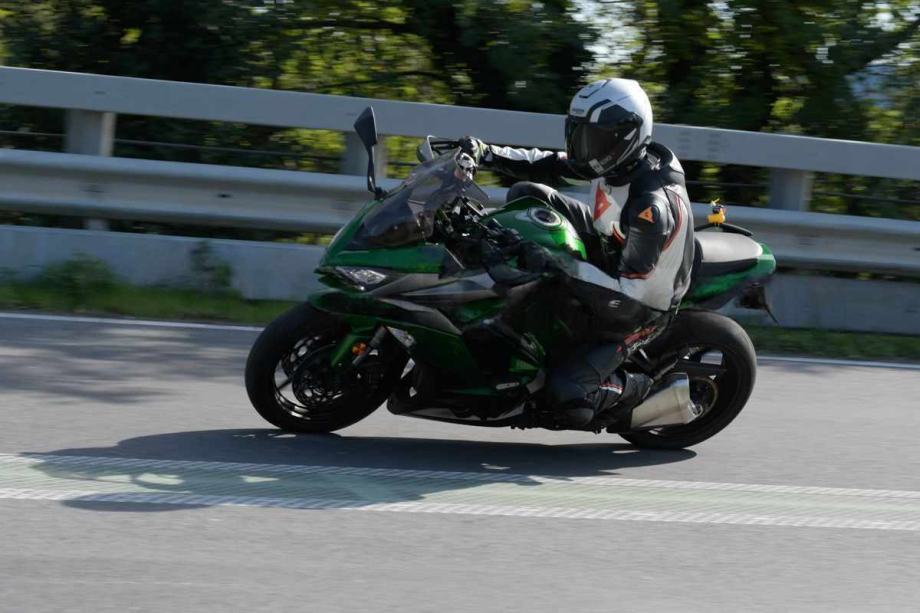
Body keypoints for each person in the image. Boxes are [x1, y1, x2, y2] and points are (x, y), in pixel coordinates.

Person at [460, 78, 695, 429]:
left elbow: (627, 294)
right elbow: (548, 163)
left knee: (565, 397)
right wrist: (487, 152)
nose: (582, 149)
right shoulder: (619, 161)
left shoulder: (650, 208)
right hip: (611, 241)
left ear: (624, 137)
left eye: (593, 139)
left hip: (638, 304)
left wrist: (556, 263)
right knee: (528, 193)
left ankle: (643, 389)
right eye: (579, 135)